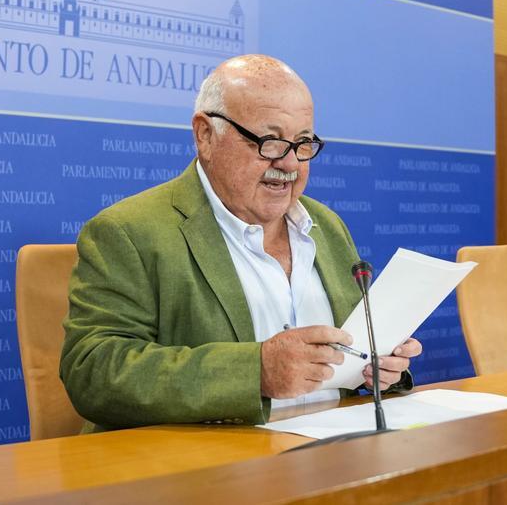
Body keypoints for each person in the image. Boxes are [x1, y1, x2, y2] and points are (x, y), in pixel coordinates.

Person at [60, 55, 422, 431]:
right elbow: (94, 370)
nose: (291, 164)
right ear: (205, 135)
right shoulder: (128, 231)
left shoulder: (326, 226)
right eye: (270, 141)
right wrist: (257, 371)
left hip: (333, 456)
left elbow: (355, 352)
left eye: (302, 143)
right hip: (206, 469)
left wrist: (379, 368)